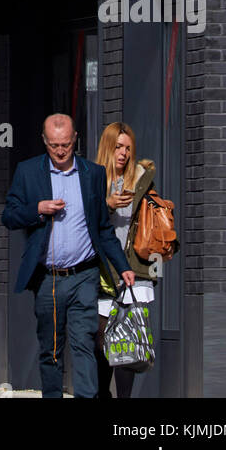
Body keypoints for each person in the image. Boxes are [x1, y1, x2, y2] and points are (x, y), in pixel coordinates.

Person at [1, 113, 135, 399]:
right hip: (47, 279)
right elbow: (9, 216)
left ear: (75, 139)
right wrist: (37, 208)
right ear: (44, 141)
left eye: (65, 144)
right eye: (53, 145)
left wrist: (122, 266)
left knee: (84, 342)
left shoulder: (93, 174)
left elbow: (102, 228)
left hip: (84, 275)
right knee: (51, 350)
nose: (60, 151)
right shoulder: (28, 172)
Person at [94, 121, 158, 399]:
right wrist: (106, 204)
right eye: (118, 147)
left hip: (134, 269)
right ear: (107, 148)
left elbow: (155, 220)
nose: (123, 153)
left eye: (128, 148)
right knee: (100, 340)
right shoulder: (93, 179)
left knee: (127, 342)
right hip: (102, 271)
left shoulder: (142, 179)